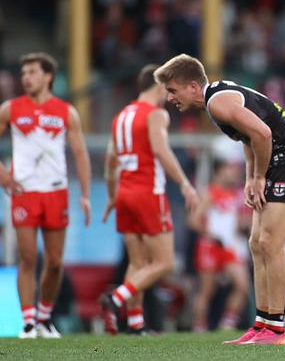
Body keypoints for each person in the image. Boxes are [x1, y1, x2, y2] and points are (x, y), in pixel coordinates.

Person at [154, 54, 285, 345]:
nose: (169, 97)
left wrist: (259, 177)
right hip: (276, 162)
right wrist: (251, 178)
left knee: (271, 244)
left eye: (172, 90)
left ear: (191, 86)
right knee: (256, 243)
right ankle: (262, 324)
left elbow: (263, 133)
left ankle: (276, 329)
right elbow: (249, 138)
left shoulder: (217, 102)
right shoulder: (215, 101)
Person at [100, 64, 199, 335]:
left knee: (138, 263)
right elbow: (162, 151)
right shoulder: (155, 115)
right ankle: (116, 298)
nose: (169, 96)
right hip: (148, 193)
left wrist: (111, 195)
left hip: (124, 193)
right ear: (158, 84)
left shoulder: (121, 116)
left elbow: (110, 161)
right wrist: (185, 184)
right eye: (168, 88)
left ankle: (135, 324)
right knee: (163, 263)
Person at [0, 52, 91, 339]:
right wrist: (2, 174)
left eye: (32, 72)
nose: (26, 78)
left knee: (54, 261)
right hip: (24, 192)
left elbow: (80, 153)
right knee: (27, 258)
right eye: (24, 73)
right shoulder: (10, 108)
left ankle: (44, 317)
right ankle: (28, 322)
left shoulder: (66, 111)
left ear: (48, 76)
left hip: (55, 191)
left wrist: (86, 195)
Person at [188, 159, 250, 332]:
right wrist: (212, 236)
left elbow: (233, 223)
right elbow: (193, 221)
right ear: (218, 173)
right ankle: (199, 327)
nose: (232, 173)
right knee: (207, 290)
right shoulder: (209, 194)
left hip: (229, 247)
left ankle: (227, 324)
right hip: (210, 246)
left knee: (242, 285)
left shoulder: (233, 195)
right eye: (228, 170)